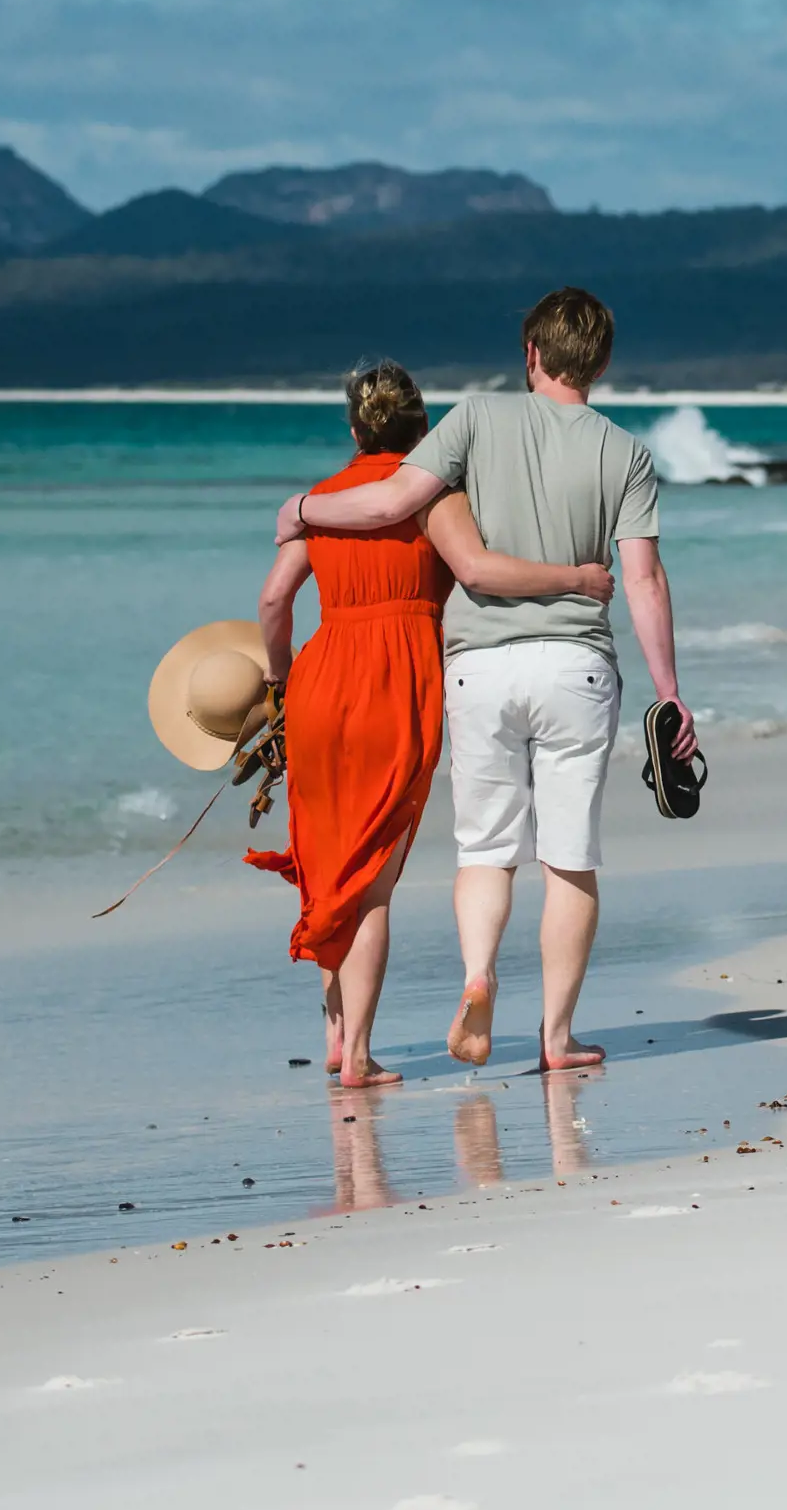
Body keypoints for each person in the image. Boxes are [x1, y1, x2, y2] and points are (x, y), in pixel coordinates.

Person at [276, 287, 689, 1075]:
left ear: (529, 354)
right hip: (575, 665)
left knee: (485, 850)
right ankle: (556, 1037)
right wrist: (669, 693)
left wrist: (303, 508)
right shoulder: (625, 452)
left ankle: (476, 973)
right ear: (599, 364)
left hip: (478, 665)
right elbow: (642, 582)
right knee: (568, 856)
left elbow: (392, 498)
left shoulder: (473, 418)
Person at [249, 359, 611, 1089]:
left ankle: (335, 1034)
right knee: (371, 876)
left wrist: (281, 678)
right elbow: (479, 572)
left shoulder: (318, 502)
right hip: (399, 681)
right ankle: (356, 1059)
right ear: (425, 429)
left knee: (328, 862)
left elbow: (272, 601)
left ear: (353, 426)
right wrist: (574, 578)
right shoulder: (434, 495)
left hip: (322, 678)